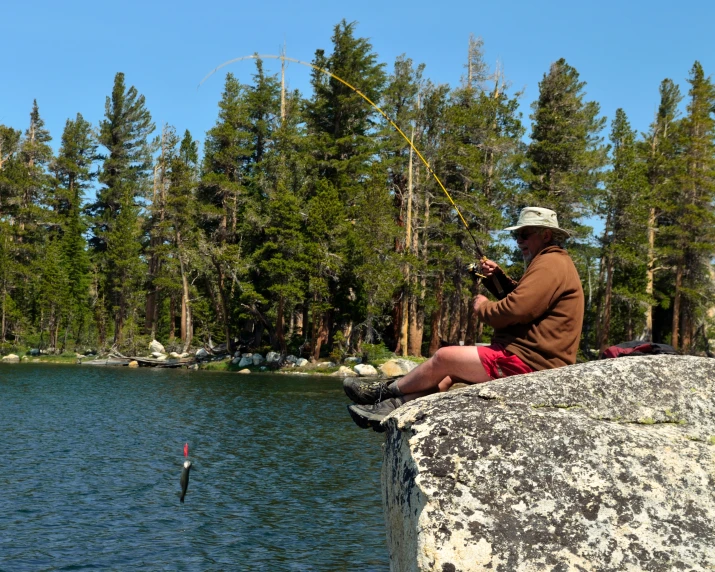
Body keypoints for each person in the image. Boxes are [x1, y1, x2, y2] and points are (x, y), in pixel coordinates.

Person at [345, 207, 585, 432]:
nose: (519, 241)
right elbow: (528, 301)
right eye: (516, 236)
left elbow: (517, 310)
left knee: (444, 357)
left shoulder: (550, 263)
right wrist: (496, 278)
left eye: (524, 234)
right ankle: (393, 407)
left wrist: (483, 307)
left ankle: (382, 392)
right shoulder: (551, 262)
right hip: (531, 358)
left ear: (545, 235)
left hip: (529, 362)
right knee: (449, 375)